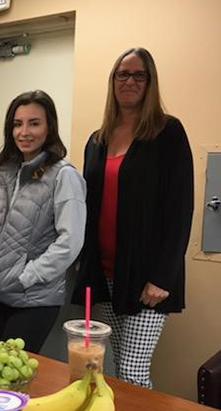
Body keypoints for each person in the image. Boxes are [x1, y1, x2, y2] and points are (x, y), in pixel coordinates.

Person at [72, 48, 193, 388]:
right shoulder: (97, 140)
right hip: (108, 273)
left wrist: (163, 277)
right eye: (122, 74)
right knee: (114, 364)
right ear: (112, 82)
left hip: (147, 278)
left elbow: (180, 208)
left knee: (132, 369)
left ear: (150, 82)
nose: (129, 81)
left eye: (138, 75)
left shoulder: (167, 133)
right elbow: (88, 206)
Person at [0, 90, 87, 354]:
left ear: (49, 127)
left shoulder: (64, 176)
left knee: (13, 373)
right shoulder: (6, 172)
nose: (24, 132)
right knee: (6, 373)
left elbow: (70, 242)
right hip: (3, 295)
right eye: (17, 124)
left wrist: (28, 276)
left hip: (34, 298)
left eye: (34, 123)